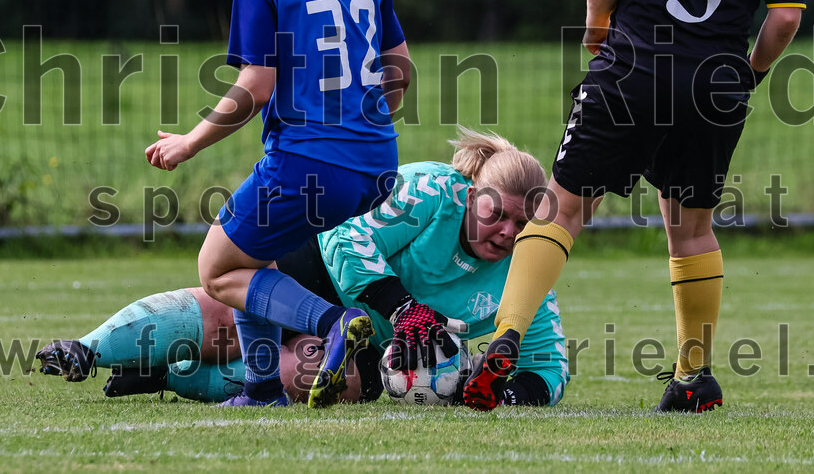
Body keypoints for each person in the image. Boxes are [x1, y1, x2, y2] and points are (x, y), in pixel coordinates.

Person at [464, 0, 805, 413]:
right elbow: (784, 19)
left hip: (633, 68)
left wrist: (597, 34)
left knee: (562, 209)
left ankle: (503, 341)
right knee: (692, 228)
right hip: (715, 85)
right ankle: (691, 377)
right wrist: (748, 75)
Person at [144, 0, 412, 409]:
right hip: (377, 165)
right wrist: (361, 127)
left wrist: (189, 142)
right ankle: (263, 388)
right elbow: (401, 71)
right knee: (254, 255)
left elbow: (255, 86)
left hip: (310, 163)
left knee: (217, 269)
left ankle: (333, 323)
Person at [36, 130, 569, 407]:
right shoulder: (431, 189)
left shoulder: (528, 269)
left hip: (369, 343)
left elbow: (550, 364)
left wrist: (509, 390)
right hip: (320, 268)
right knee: (223, 322)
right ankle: (86, 348)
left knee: (306, 375)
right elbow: (351, 235)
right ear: (472, 192)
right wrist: (402, 308)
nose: (507, 231)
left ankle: (166, 376)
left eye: (522, 224)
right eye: (495, 212)